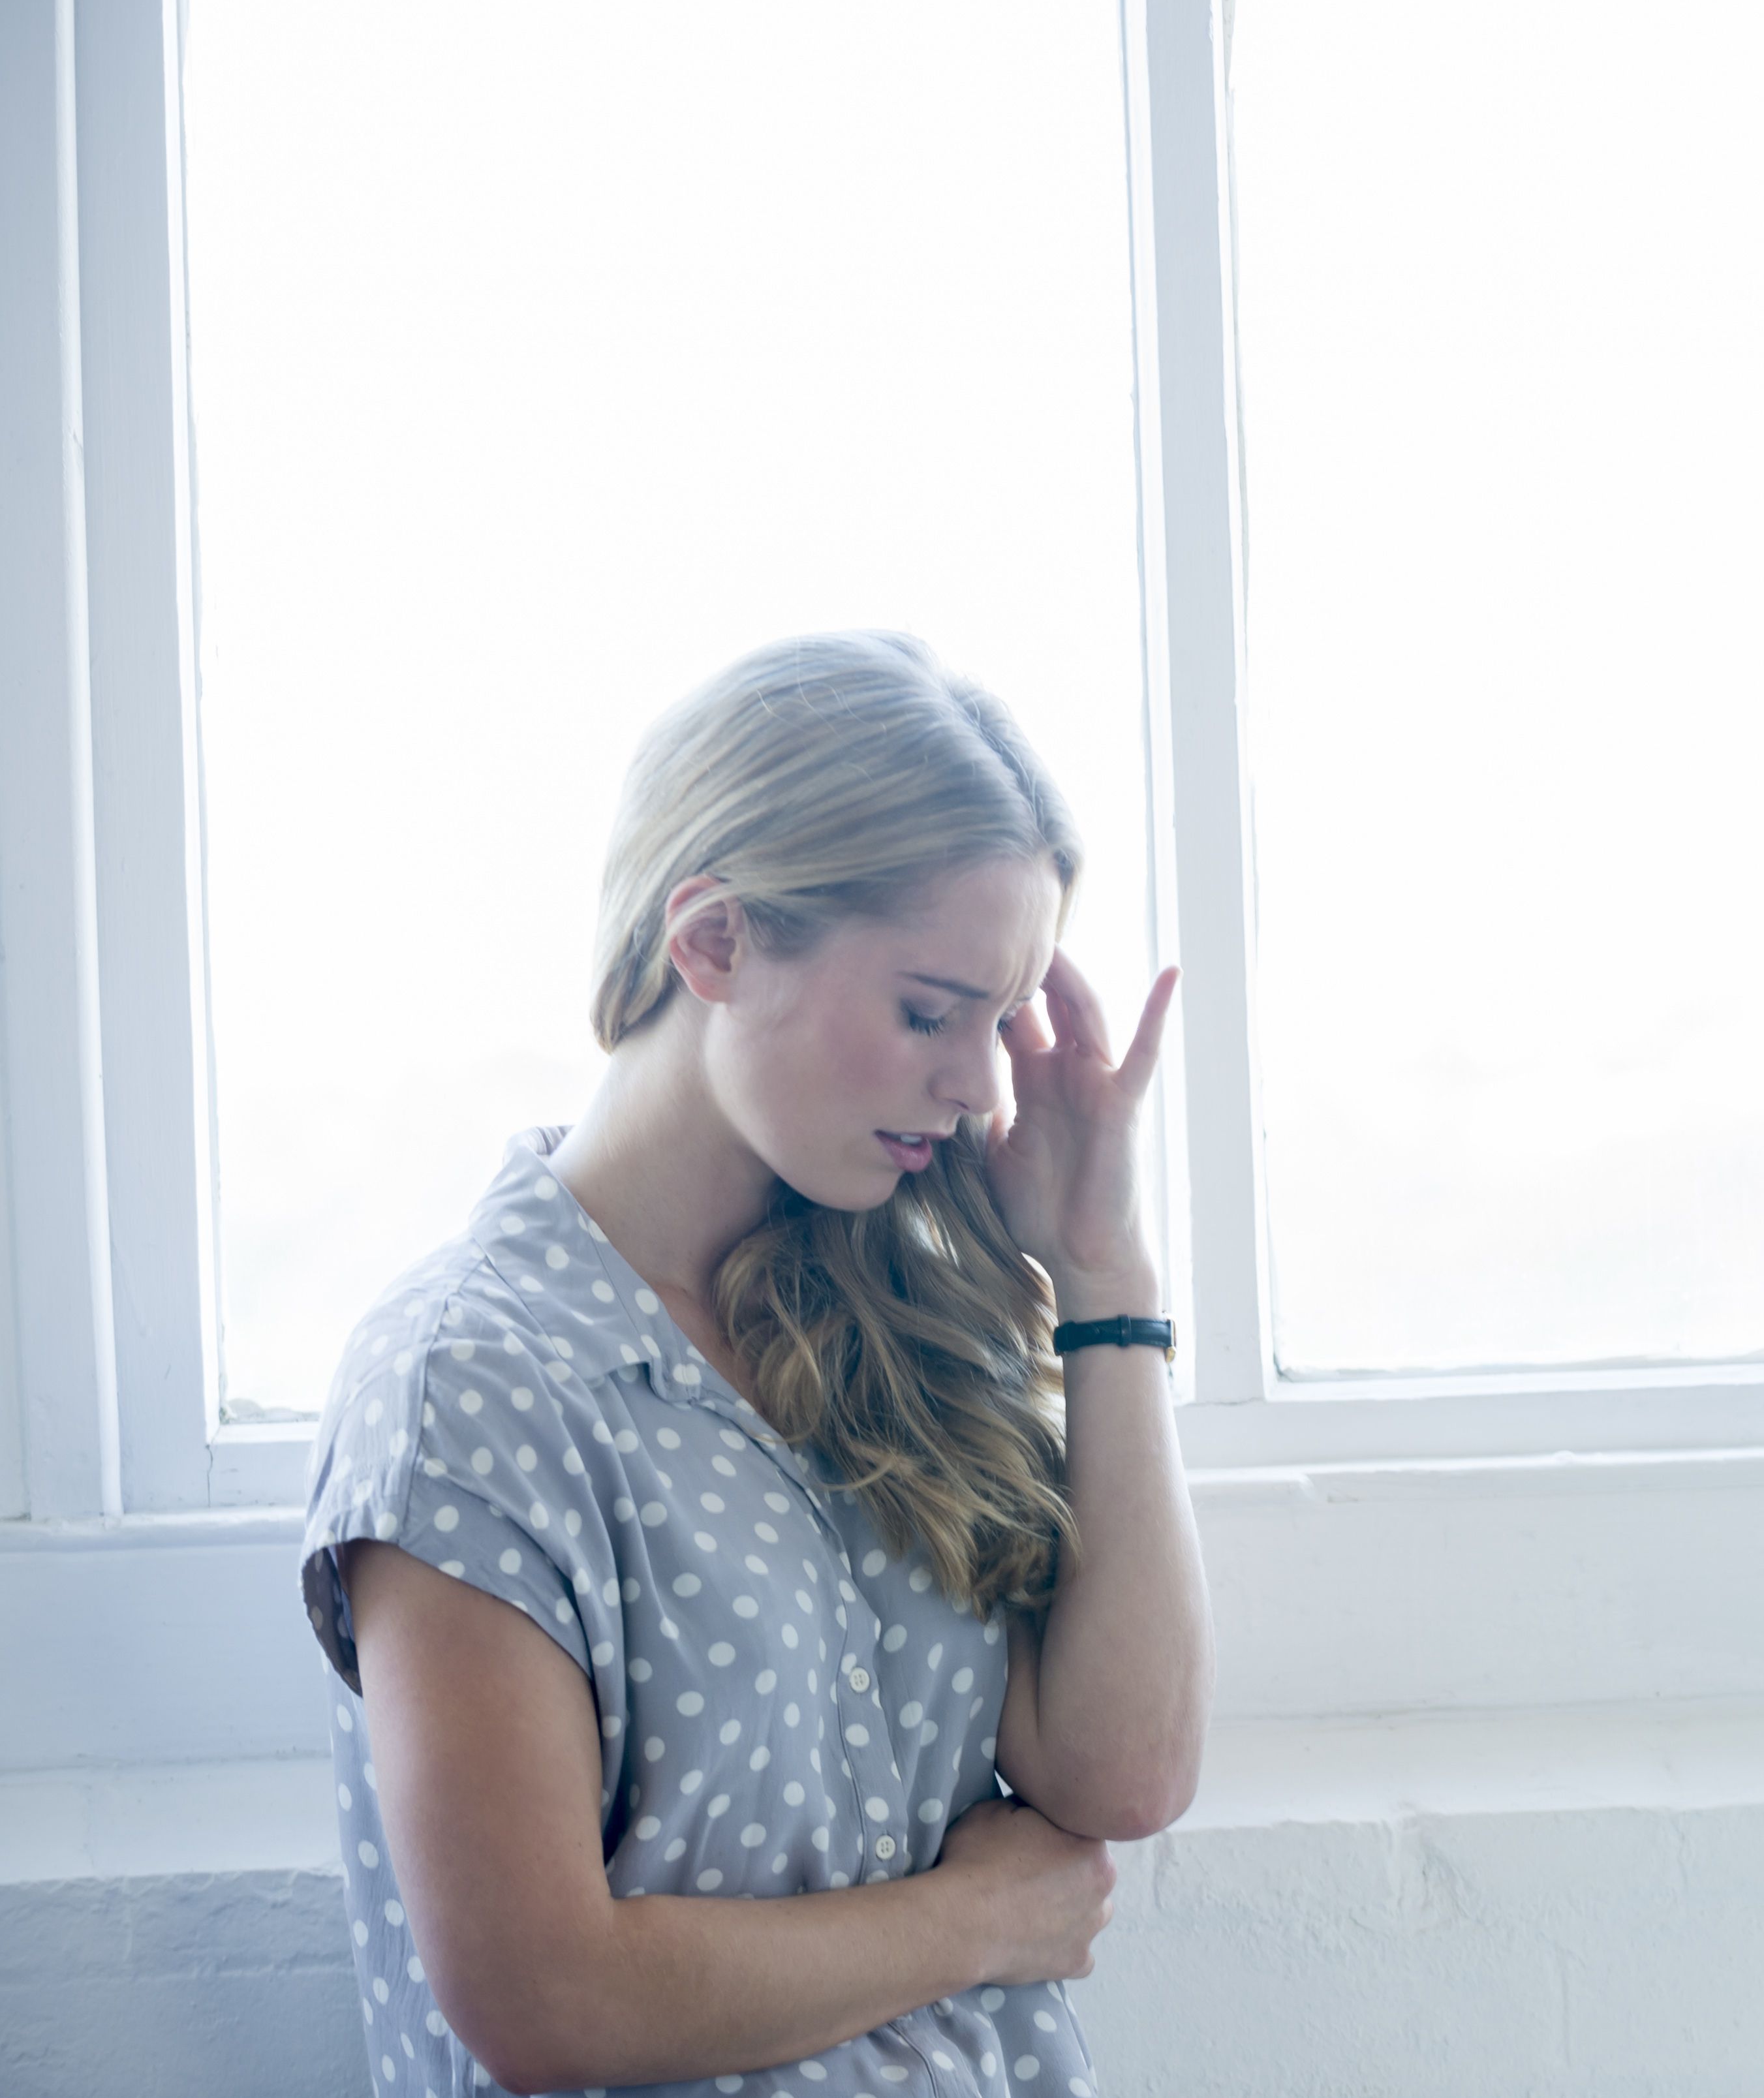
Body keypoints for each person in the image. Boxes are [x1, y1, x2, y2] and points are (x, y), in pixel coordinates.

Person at [296, 630, 1208, 2097]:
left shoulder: (901, 1311)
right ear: (713, 940)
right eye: (929, 1011)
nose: (981, 1088)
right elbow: (545, 1999)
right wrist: (972, 1919)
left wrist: (1106, 1282)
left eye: (999, 1019)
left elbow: (1122, 1775)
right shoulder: (470, 1387)